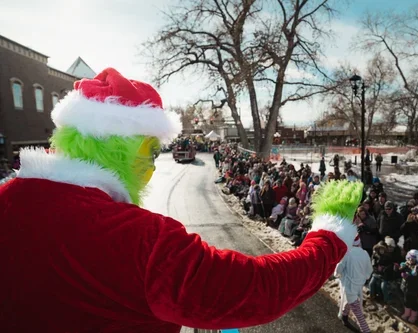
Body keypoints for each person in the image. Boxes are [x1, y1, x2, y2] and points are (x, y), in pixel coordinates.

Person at [0, 68, 363, 332]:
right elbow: (255, 288)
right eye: (150, 152)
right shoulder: (140, 239)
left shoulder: (7, 198)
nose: (152, 168)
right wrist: (329, 237)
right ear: (122, 146)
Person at [335, 235, 373, 333]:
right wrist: (364, 277)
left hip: (349, 285)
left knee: (357, 311)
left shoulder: (347, 254)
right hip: (359, 285)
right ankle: (344, 315)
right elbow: (369, 269)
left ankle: (366, 330)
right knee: (351, 301)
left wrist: (337, 274)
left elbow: (339, 268)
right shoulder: (364, 253)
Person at [399, 249, 418, 324]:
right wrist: (401, 269)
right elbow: (400, 271)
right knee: (406, 301)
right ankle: (407, 313)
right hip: (406, 287)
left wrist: (409, 276)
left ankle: (414, 316)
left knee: (415, 303)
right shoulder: (406, 265)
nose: (411, 259)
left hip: (415, 289)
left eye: (413, 258)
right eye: (409, 258)